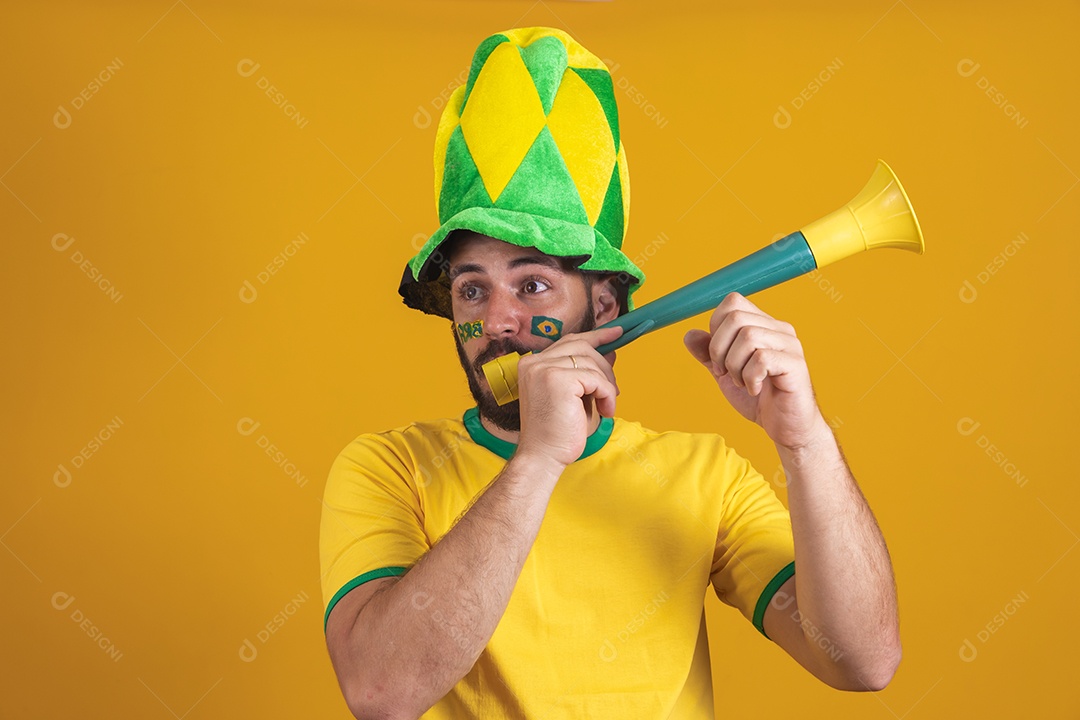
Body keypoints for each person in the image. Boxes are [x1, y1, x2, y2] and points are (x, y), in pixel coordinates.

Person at [319, 27, 900, 719]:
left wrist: (807, 443)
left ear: (602, 306)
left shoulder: (705, 475)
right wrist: (537, 460)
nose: (498, 321)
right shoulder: (387, 468)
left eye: (532, 286)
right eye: (472, 290)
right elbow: (382, 693)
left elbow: (863, 660)